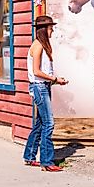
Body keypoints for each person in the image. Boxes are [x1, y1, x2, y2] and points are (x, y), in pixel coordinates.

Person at [23, 15, 68, 172]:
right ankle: (47, 161)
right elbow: (36, 71)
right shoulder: (38, 46)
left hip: (42, 86)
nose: (52, 31)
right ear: (43, 29)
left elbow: (41, 72)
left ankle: (29, 156)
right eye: (50, 28)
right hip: (39, 88)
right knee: (49, 123)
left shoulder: (41, 45)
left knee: (40, 124)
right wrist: (55, 79)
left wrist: (54, 81)